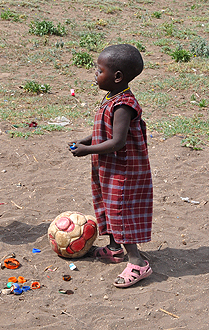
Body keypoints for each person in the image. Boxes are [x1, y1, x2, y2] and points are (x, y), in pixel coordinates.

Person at [70, 44, 153, 287]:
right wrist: (86, 140)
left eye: (99, 70)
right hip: (109, 168)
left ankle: (137, 261)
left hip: (124, 170)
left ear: (117, 77)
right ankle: (115, 249)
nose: (95, 74)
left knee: (121, 211)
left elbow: (117, 142)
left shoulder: (123, 105)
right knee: (107, 205)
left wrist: (87, 150)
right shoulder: (111, 97)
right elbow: (106, 132)